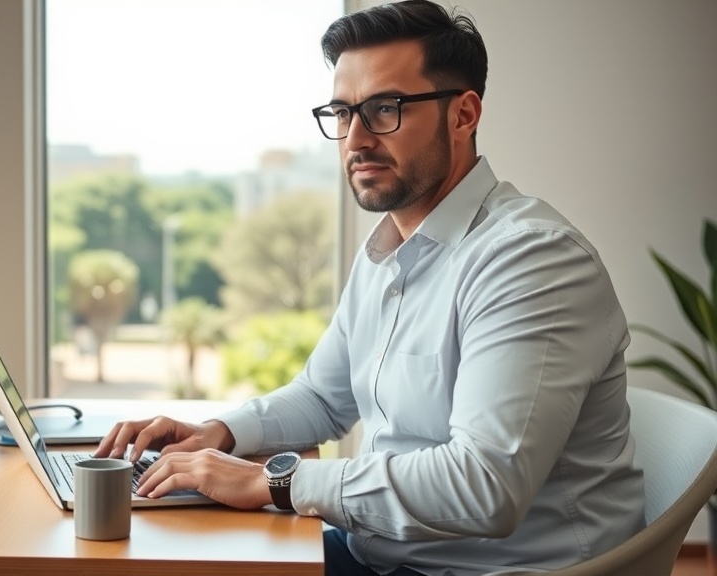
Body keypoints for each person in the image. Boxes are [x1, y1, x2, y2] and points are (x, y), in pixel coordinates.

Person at [94, 1, 645, 574]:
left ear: (463, 115)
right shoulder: (387, 249)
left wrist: (273, 481)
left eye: (385, 109)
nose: (355, 139)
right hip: (380, 555)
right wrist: (222, 434)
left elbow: (485, 486)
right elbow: (322, 397)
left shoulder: (531, 260)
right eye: (342, 112)